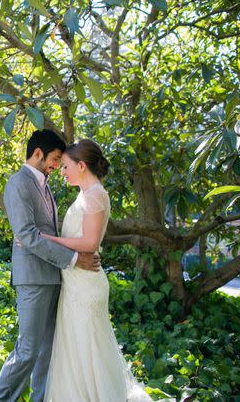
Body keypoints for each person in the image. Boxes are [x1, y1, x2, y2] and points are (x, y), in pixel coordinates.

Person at [0, 130, 101, 402]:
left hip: (54, 277)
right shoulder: (18, 183)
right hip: (33, 279)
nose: (57, 165)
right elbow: (27, 235)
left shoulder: (45, 185)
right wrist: (74, 259)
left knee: (47, 352)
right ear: (37, 153)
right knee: (27, 350)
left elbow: (46, 231)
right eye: (54, 158)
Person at [41, 139, 152, 402]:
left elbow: (90, 243)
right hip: (75, 283)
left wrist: (50, 239)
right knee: (75, 351)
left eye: (66, 166)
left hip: (86, 286)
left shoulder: (95, 196)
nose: (63, 171)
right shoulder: (85, 194)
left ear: (81, 165)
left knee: (88, 350)